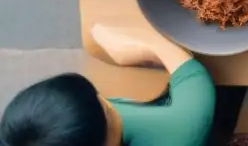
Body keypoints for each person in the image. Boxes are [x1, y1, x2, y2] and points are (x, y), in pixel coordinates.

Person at [0, 24, 215, 146]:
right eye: (107, 112)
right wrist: (145, 49)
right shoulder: (180, 136)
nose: (108, 102)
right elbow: (194, 81)